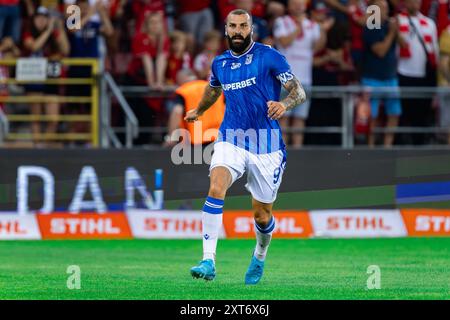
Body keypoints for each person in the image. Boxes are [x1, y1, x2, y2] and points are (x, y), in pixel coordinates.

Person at [185, 9, 306, 284]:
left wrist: (284, 104)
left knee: (262, 216)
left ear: (251, 29)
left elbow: (299, 91)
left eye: (243, 26)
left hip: (267, 146)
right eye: (233, 26)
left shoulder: (269, 56)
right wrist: (200, 111)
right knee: (216, 186)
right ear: (225, 29)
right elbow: (214, 89)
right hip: (232, 138)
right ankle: (208, 260)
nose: (238, 31)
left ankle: (260, 255)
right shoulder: (220, 63)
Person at [273, 0, 328, 147]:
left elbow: (318, 47)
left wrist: (322, 29)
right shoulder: (282, 21)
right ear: (289, 6)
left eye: (301, 2)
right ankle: (281, 152)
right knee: (283, 117)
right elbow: (283, 41)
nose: (298, 5)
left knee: (300, 118)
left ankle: (297, 152)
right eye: (295, 2)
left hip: (305, 79)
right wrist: (299, 27)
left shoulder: (312, 25)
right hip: (285, 79)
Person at [397, 0, 439, 145]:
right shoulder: (396, 20)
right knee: (401, 112)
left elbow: (435, 51)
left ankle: (419, 142)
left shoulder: (429, 23)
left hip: (423, 75)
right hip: (402, 72)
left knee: (421, 114)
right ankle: (401, 141)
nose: (414, 4)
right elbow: (373, 29)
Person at [361, 0, 402, 147]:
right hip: (372, 78)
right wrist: (392, 33)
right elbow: (380, 51)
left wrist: (396, 30)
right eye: (378, 8)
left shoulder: (389, 26)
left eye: (385, 8)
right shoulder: (370, 27)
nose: (383, 11)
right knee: (372, 115)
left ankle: (387, 145)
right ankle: (371, 146)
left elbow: (404, 45)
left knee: (394, 113)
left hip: (390, 77)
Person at [165, 69, 225, 147]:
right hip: (219, 137)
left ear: (181, 78)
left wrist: (170, 137)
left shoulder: (184, 91)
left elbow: (177, 111)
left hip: (196, 140)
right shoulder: (214, 88)